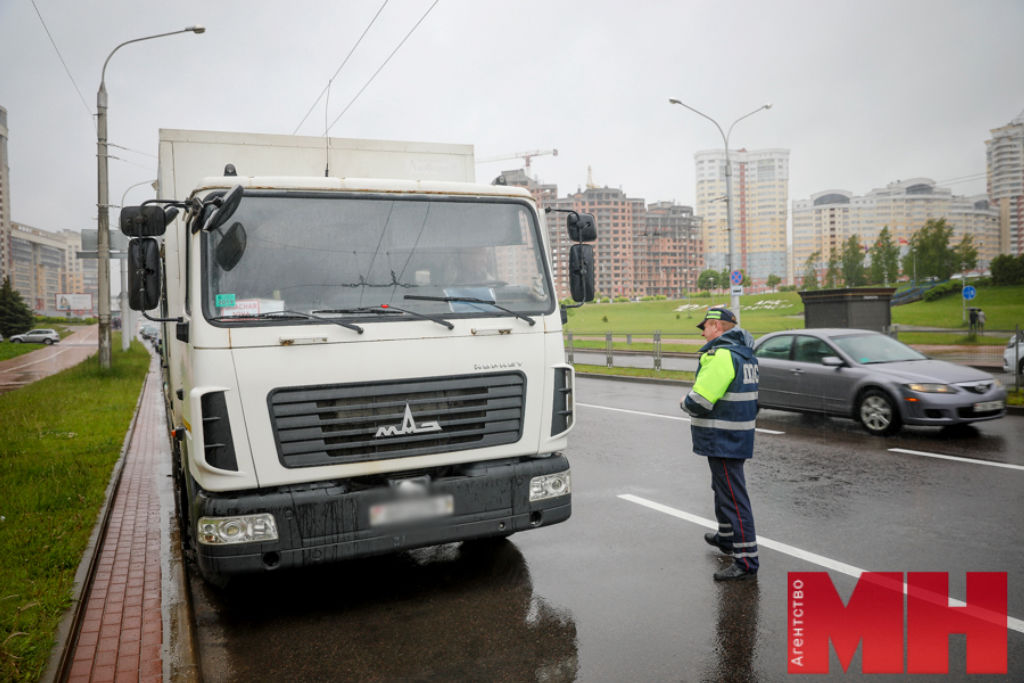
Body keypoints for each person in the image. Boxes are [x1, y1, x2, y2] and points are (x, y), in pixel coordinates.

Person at [681, 307, 760, 581]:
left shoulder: (721, 355)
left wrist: (684, 403)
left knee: (734, 499)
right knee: (723, 489)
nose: (703, 333)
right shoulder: (745, 354)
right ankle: (726, 537)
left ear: (717, 327)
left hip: (723, 437)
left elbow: (700, 400)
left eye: (705, 327)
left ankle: (746, 561)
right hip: (734, 434)